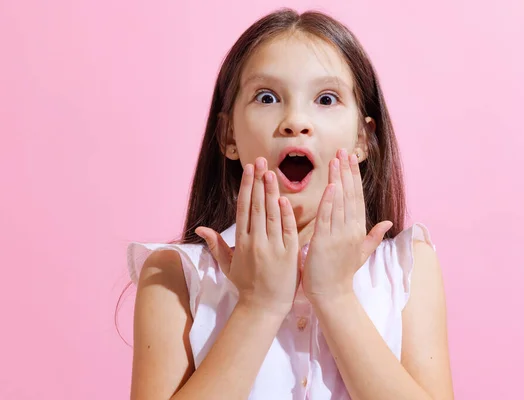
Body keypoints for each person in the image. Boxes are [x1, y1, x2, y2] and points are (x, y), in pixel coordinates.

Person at [127, 8, 454, 400]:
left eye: (326, 98)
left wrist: (334, 296)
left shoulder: (406, 268)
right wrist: (258, 306)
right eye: (267, 97)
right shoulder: (174, 275)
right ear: (228, 135)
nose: (295, 121)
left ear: (363, 139)